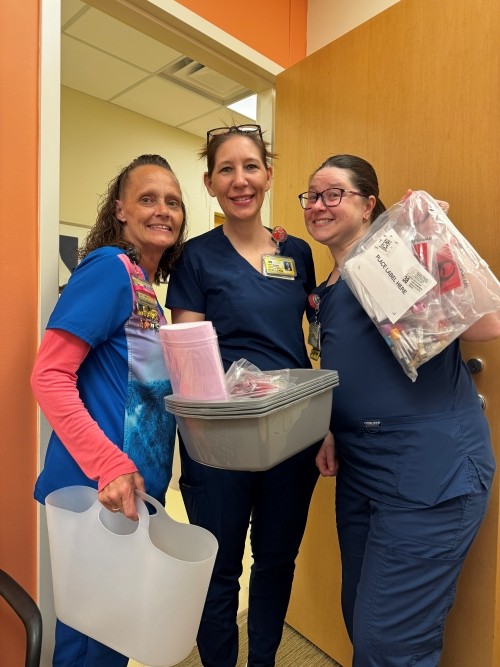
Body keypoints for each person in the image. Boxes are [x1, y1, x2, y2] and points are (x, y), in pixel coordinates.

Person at [299, 153, 500, 666]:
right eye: (312, 196)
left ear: (369, 205)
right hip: (361, 470)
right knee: (359, 613)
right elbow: (353, 371)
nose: (319, 205)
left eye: (333, 194)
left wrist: (431, 237)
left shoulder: (394, 260)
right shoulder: (330, 287)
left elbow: (487, 324)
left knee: (389, 640)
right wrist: (330, 429)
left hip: (428, 471)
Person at [166, 124, 320, 667]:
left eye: (250, 166)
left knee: (277, 561)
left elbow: (317, 336)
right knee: (220, 565)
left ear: (269, 174)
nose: (240, 180)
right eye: (226, 169)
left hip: (291, 437)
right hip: (221, 441)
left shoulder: (296, 252)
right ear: (209, 183)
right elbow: (186, 359)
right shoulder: (195, 258)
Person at [32, 154, 187, 667]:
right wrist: (110, 463)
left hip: (127, 492)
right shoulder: (109, 269)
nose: (162, 210)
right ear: (119, 209)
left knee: (111, 636)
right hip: (98, 488)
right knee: (90, 644)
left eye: (173, 201)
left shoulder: (144, 286)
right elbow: (49, 376)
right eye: (147, 199)